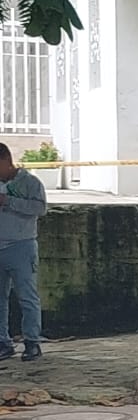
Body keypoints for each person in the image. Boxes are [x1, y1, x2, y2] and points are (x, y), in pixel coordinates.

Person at [0, 144, 46, 362]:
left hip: (21, 245)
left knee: (27, 296)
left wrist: (8, 201)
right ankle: (3, 342)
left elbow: (39, 208)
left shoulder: (30, 183)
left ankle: (32, 342)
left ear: (7, 161)